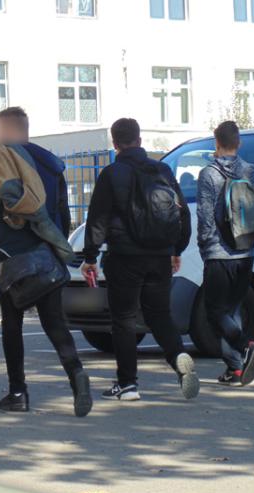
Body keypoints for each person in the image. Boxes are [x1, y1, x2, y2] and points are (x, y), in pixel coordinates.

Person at [0, 107, 92, 417]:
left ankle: (18, 392)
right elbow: (63, 212)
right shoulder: (50, 164)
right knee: (55, 324)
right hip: (47, 255)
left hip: (12, 257)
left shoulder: (0, 160)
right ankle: (76, 374)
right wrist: (56, 246)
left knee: (12, 325)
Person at [81, 118, 199, 402]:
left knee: (123, 320)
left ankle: (128, 384)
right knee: (159, 315)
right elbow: (182, 213)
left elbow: (98, 219)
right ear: (139, 139)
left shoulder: (112, 173)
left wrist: (90, 257)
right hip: (159, 256)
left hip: (125, 257)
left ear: (115, 143)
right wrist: (176, 250)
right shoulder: (162, 170)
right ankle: (178, 356)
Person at [196, 121, 254, 387]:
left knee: (214, 311)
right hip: (246, 252)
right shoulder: (250, 170)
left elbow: (205, 216)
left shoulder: (208, 174)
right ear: (239, 143)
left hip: (218, 254)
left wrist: (205, 247)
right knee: (232, 309)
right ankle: (235, 369)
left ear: (216, 143)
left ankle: (245, 346)